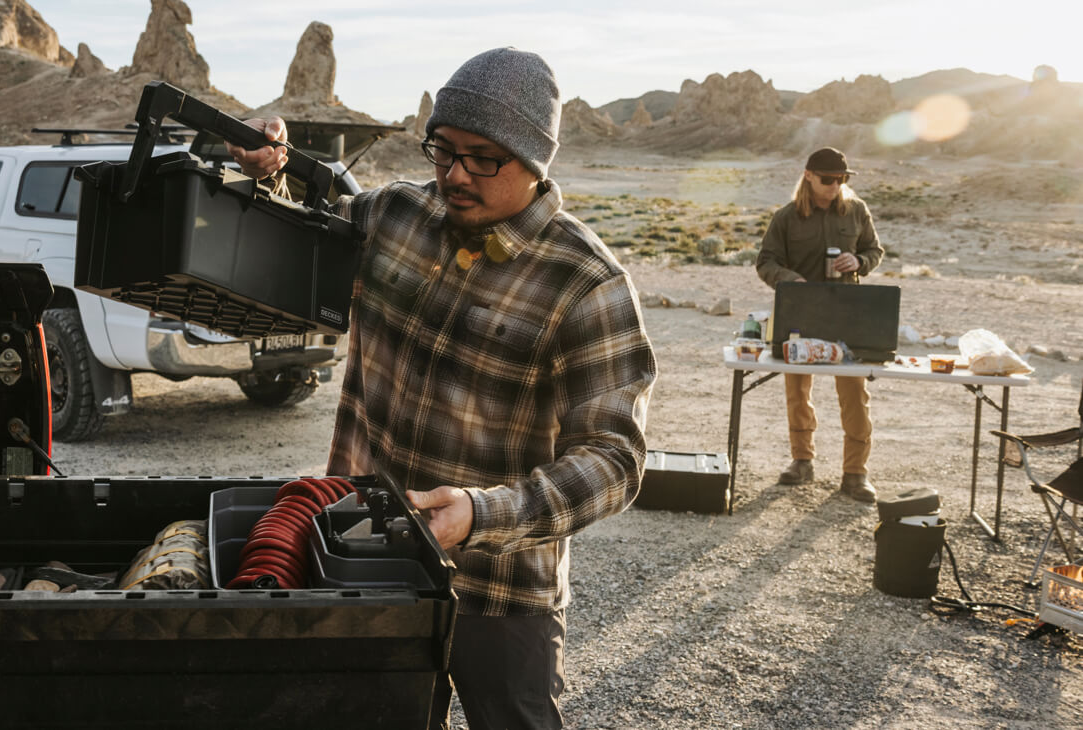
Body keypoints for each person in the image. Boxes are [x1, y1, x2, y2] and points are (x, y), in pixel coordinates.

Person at [229, 48, 657, 730]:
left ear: (534, 162)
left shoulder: (587, 284)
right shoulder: (392, 216)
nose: (455, 174)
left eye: (483, 157)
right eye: (442, 150)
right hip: (366, 554)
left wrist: (481, 514)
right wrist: (270, 167)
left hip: (504, 588)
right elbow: (303, 228)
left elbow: (614, 461)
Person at [754, 147, 885, 502]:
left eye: (841, 179)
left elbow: (875, 250)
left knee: (855, 393)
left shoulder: (856, 211)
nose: (835, 185)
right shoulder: (786, 217)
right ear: (808, 176)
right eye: (828, 179)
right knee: (798, 391)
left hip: (847, 312)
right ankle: (802, 461)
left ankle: (856, 474)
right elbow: (765, 261)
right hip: (799, 313)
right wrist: (788, 279)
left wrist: (858, 261)